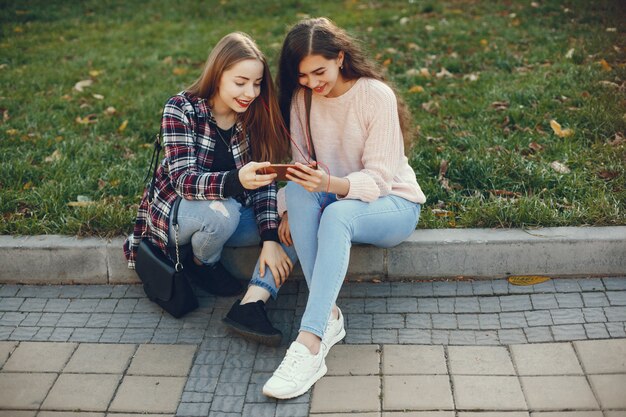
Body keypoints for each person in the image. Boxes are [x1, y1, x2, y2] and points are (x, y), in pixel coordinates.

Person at [262, 18, 427, 399]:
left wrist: (330, 186)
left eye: (319, 71)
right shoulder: (301, 99)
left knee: (335, 213)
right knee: (300, 193)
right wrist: (288, 207)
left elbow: (380, 181)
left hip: (391, 204)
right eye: (302, 76)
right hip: (332, 195)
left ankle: (310, 342)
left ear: (340, 57)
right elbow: (302, 166)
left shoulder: (375, 96)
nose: (312, 83)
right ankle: (329, 315)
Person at [123, 32, 298, 347]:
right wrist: (235, 181)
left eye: (257, 83)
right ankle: (203, 263)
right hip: (180, 214)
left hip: (228, 215)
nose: (250, 92)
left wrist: (270, 239)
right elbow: (183, 180)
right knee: (224, 212)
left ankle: (253, 303)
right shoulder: (182, 108)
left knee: (295, 221)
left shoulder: (252, 116)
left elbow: (263, 184)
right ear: (218, 76)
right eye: (241, 82)